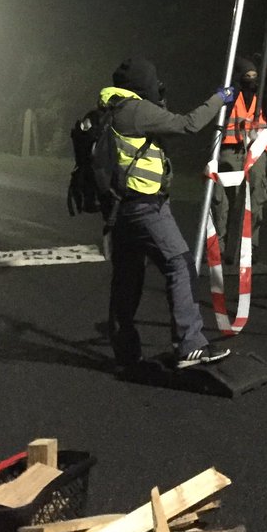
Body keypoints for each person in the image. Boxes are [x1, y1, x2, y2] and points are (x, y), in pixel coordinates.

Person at [100, 55, 236, 375]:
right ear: (141, 82)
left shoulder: (113, 109)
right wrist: (220, 98)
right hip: (146, 207)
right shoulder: (136, 110)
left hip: (120, 210)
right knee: (180, 265)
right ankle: (190, 345)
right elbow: (188, 124)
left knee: (127, 280)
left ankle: (126, 352)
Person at [211, 54, 267, 274]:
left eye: (255, 75)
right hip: (230, 151)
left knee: (256, 199)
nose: (251, 79)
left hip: (256, 152)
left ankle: (249, 250)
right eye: (247, 75)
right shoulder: (230, 94)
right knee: (223, 201)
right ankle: (218, 249)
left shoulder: (262, 95)